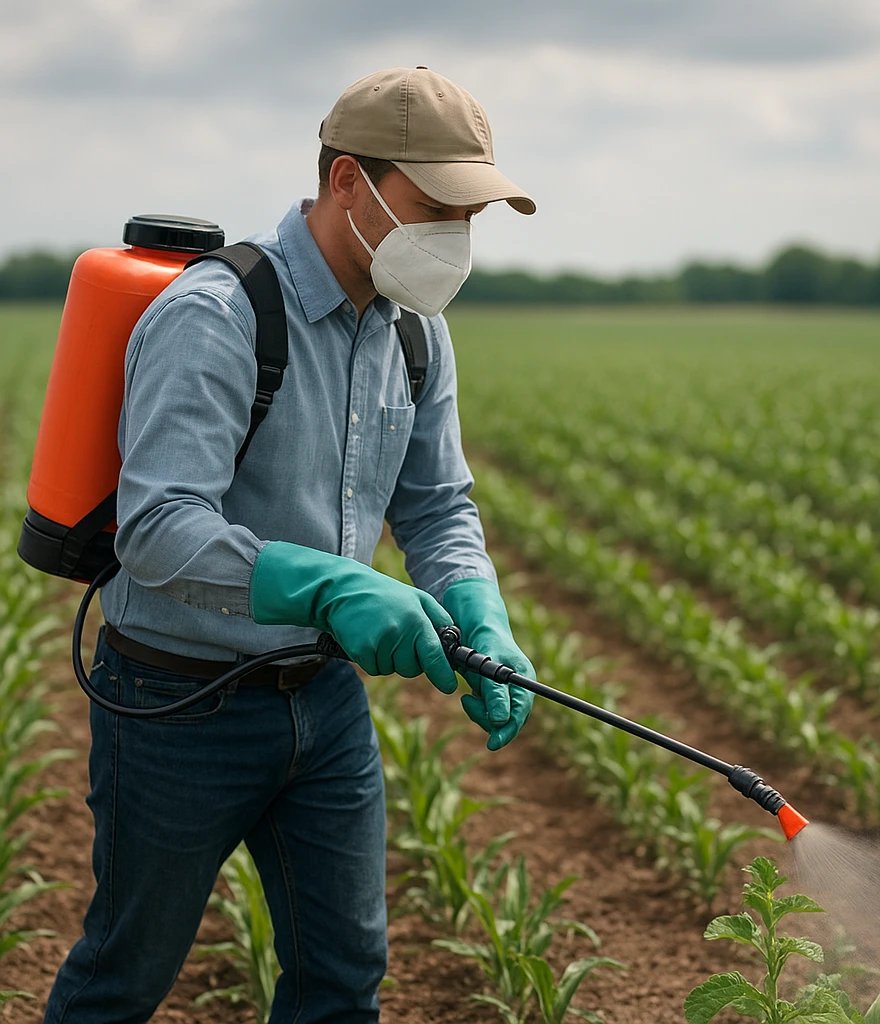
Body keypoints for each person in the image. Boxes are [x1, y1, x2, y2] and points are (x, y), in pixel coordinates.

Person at [44, 66, 537, 1024]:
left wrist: (479, 603)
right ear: (348, 181)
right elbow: (156, 526)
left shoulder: (416, 333)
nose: (455, 237)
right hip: (176, 703)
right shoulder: (215, 318)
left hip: (324, 703)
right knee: (125, 977)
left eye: (469, 216)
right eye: (434, 205)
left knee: (344, 979)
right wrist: (329, 586)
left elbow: (436, 506)